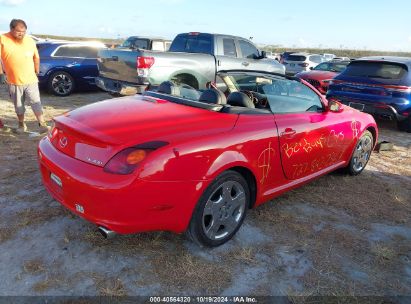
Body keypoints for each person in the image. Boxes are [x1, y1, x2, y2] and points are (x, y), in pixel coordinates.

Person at [0, 19, 49, 133]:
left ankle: (42, 125)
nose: (21, 34)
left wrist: (37, 70)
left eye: (23, 31)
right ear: (11, 29)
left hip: (31, 79)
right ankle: (21, 125)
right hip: (13, 80)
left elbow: (36, 57)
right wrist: (1, 74)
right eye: (18, 31)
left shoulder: (30, 41)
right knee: (19, 105)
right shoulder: (2, 39)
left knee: (36, 102)